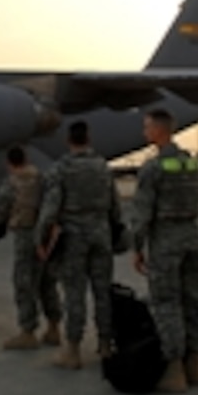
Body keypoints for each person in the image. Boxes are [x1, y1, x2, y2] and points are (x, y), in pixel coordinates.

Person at [131, 109, 198, 392]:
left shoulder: (153, 168)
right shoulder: (190, 164)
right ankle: (196, 364)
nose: (144, 132)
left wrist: (137, 247)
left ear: (159, 131)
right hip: (191, 236)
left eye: (147, 127)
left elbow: (142, 212)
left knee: (166, 302)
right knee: (191, 301)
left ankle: (174, 369)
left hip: (165, 240)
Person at [35, 121, 121, 369]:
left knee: (74, 294)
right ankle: (106, 344)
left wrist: (41, 239)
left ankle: (72, 349)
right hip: (100, 233)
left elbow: (50, 208)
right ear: (89, 139)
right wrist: (115, 229)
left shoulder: (61, 169)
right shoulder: (102, 166)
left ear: (68, 140)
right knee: (102, 291)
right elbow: (114, 204)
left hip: (73, 236)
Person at [0, 146, 62, 350]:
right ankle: (54, 327)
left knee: (24, 283)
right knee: (47, 282)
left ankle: (28, 331)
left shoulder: (11, 183)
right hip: (46, 235)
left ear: (9, 163)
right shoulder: (41, 178)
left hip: (25, 235)